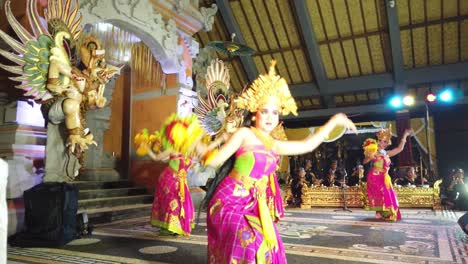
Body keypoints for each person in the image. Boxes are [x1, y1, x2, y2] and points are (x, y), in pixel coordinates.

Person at [201, 60, 356, 263]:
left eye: (274, 112)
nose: (269, 117)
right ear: (255, 113)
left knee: (270, 246)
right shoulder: (245, 134)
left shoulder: (273, 144)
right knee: (250, 241)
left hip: (253, 202)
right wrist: (200, 150)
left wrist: (334, 121)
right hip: (228, 200)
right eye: (264, 111)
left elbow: (307, 145)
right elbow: (216, 161)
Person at [363, 126, 411, 221]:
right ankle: (379, 212)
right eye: (380, 140)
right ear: (378, 141)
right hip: (375, 176)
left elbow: (399, 149)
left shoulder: (386, 153)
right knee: (381, 194)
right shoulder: (374, 151)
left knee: (387, 194)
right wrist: (369, 157)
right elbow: (364, 161)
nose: (382, 143)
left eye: (385, 142)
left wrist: (405, 135)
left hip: (385, 177)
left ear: (387, 143)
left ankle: (383, 212)